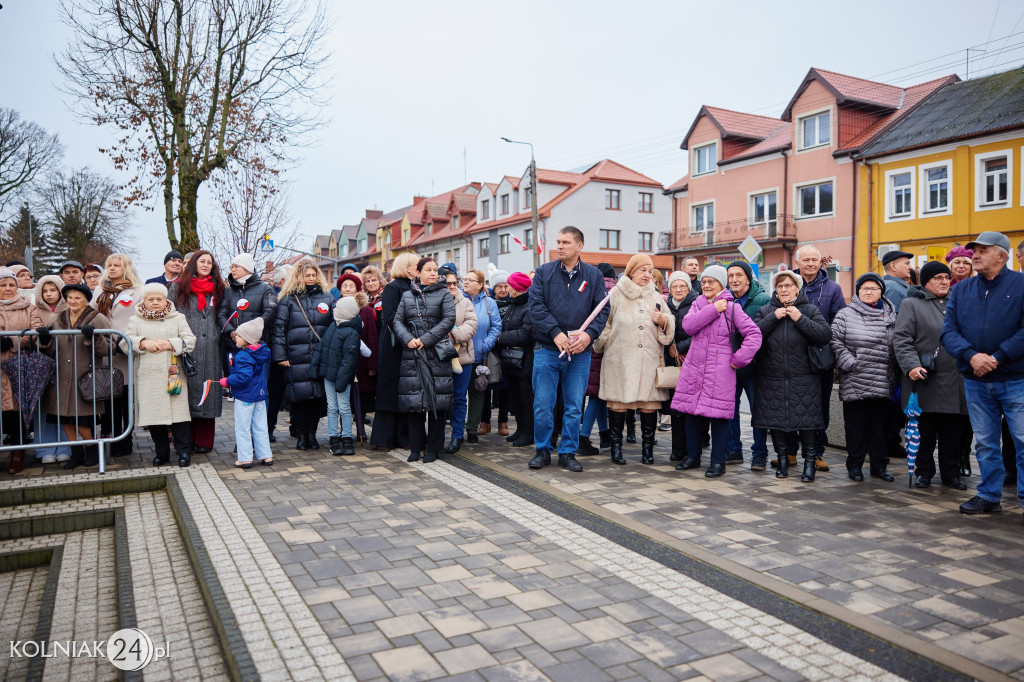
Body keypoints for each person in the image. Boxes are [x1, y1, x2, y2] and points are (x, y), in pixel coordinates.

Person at [941, 232, 1024, 517]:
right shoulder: (962, 290)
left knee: (1023, 441)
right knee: (986, 443)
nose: (974, 255)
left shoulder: (1021, 285)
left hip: (1016, 379)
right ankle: (989, 495)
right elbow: (948, 331)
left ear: (1002, 255)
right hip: (975, 380)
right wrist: (971, 356)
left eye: (982, 250)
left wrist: (997, 357)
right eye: (973, 250)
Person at [528, 226, 610, 473]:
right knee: (543, 404)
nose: (559, 246)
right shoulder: (543, 273)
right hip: (547, 349)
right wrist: (556, 334)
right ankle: (542, 449)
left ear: (579, 246)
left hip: (580, 352)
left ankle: (568, 452)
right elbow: (536, 308)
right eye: (558, 242)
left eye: (565, 242)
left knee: (574, 405)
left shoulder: (593, 275)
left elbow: (602, 310)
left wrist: (589, 335)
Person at [672, 265, 762, 478]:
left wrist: (739, 359)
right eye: (704, 281)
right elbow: (689, 326)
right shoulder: (698, 304)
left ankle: (718, 462)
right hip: (694, 369)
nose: (706, 285)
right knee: (691, 413)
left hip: (719, 372)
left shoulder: (732, 308)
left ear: (722, 284)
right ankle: (692, 457)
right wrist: (713, 309)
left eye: (711, 281)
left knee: (719, 417)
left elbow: (754, 334)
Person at [893, 261, 969, 490]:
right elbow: (902, 339)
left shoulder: (959, 303)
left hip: (956, 379)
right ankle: (924, 471)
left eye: (946, 277)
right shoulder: (911, 304)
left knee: (952, 433)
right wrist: (912, 366)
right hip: (924, 378)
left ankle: (951, 473)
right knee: (924, 431)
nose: (945, 281)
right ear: (926, 282)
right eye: (938, 278)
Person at [751, 270, 832, 482]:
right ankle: (783, 462)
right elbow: (752, 336)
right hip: (772, 377)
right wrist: (772, 317)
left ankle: (809, 464)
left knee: (807, 422)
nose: (784, 290)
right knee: (776, 421)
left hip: (804, 377)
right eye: (780, 286)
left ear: (797, 288)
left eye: (788, 286)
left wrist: (800, 318)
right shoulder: (766, 310)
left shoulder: (809, 309)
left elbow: (825, 335)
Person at [594, 254, 674, 465]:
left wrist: (663, 320)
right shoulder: (615, 293)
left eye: (650, 271)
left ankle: (647, 450)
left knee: (649, 405)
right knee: (618, 405)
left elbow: (669, 320)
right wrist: (602, 341)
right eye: (643, 270)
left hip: (647, 359)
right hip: (619, 358)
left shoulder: (655, 295)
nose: (647, 275)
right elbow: (605, 322)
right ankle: (616, 449)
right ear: (631, 272)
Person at [831, 273, 898, 482]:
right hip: (855, 378)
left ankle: (879, 466)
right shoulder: (845, 314)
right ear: (858, 292)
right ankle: (855, 466)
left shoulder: (891, 314)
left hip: (883, 379)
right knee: (856, 428)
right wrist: (849, 362)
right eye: (865, 288)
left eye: (874, 288)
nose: (869, 292)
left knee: (880, 428)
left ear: (881, 292)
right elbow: (835, 340)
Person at [37, 283, 112, 470]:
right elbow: (51, 350)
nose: (73, 301)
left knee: (83, 422)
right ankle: (76, 453)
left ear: (86, 300)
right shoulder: (57, 319)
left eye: (77, 298)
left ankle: (92, 450)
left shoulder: (98, 318)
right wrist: (45, 341)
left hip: (85, 378)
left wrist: (94, 338)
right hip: (61, 378)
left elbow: (109, 347)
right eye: (70, 298)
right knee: (65, 420)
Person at [122, 283, 196, 467]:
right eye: (151, 299)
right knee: (154, 417)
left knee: (179, 417)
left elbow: (190, 341)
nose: (155, 303)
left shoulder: (178, 318)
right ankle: (161, 453)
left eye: (159, 299)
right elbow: (125, 342)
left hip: (173, 374)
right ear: (144, 301)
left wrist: (169, 343)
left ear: (166, 300)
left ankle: (184, 452)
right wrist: (143, 343)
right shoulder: (135, 320)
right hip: (148, 375)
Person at [393, 257, 456, 463]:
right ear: (417, 273)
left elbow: (449, 320)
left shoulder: (444, 293)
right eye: (428, 269)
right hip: (412, 354)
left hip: (436, 354)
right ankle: (416, 447)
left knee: (436, 402)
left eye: (435, 270)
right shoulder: (406, 295)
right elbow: (397, 321)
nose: (432, 273)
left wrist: (425, 339)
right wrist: (409, 339)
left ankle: (434, 448)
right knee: (414, 403)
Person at [794, 245, 846, 472]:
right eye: (806, 260)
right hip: (792, 356)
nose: (810, 264)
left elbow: (838, 322)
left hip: (821, 356)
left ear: (820, 262)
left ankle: (817, 452)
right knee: (793, 404)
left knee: (820, 406)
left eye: (814, 260)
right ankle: (789, 450)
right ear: (798, 263)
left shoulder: (833, 289)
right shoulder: (787, 284)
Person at [272, 258, 334, 450]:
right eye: (307, 275)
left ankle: (312, 435)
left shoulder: (327, 297)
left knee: (316, 398)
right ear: (299, 276)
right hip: (296, 356)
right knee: (298, 398)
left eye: (313, 275)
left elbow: (334, 325)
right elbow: (279, 329)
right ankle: (301, 435)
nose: (310, 278)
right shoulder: (288, 299)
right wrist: (281, 356)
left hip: (319, 356)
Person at [169, 250, 225, 455]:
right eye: (202, 261)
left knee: (207, 394)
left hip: (211, 348)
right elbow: (170, 314)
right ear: (193, 264)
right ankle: (184, 441)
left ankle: (204, 441)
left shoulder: (219, 288)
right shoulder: (178, 287)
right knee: (186, 396)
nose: (206, 265)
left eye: (209, 262)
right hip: (186, 348)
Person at [93, 253, 142, 457]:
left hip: (125, 350)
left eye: (117, 265)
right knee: (107, 396)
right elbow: (91, 313)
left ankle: (125, 438)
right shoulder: (100, 290)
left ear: (126, 268)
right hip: (104, 350)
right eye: (109, 265)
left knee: (124, 397)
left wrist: (127, 341)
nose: (112, 269)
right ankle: (108, 435)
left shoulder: (138, 291)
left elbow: (138, 318)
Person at [370, 253, 418, 452]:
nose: (420, 267)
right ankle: (384, 438)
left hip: (408, 345)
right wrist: (408, 336)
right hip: (393, 347)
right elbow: (389, 319)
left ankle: (402, 436)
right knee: (389, 390)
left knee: (405, 392)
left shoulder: (412, 287)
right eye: (417, 265)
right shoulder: (393, 287)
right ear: (407, 267)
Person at [726, 260, 770, 468]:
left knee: (758, 411)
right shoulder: (724, 299)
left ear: (748, 277)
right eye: (731, 276)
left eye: (738, 275)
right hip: (730, 366)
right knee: (730, 410)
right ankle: (734, 450)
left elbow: (766, 333)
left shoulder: (762, 299)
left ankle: (759, 453)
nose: (734, 280)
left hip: (755, 366)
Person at [0, 268, 45, 473]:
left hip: (17, 365)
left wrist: (12, 341)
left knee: (16, 411)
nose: (8, 288)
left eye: (11, 284)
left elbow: (35, 331)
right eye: (3, 285)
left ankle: (17, 454)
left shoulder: (29, 307)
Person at [312, 297, 363, 457]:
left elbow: (349, 360)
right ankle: (334, 437)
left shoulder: (351, 333)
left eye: (338, 308)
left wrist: (341, 381)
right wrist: (314, 368)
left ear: (345, 313)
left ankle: (346, 437)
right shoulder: (333, 326)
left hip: (342, 377)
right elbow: (322, 348)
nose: (334, 310)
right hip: (328, 375)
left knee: (345, 408)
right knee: (332, 407)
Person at [220, 318, 274, 468]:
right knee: (260, 425)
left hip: (245, 396)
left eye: (238, 336)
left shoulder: (243, 356)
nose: (235, 337)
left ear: (247, 339)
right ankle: (266, 455)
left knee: (243, 427)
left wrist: (228, 380)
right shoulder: (262, 351)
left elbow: (243, 376)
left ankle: (245, 457)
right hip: (260, 394)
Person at [578, 262, 618, 456]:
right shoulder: (615, 291)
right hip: (606, 349)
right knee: (597, 395)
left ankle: (604, 435)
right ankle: (583, 437)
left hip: (590, 344)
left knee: (598, 394)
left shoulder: (590, 287)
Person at [31, 275, 71, 464]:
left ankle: (65, 446)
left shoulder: (69, 309)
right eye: (45, 291)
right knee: (43, 407)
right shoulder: (34, 310)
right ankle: (45, 448)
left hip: (66, 362)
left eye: (53, 290)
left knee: (64, 406)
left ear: (60, 291)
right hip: (42, 364)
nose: (48, 294)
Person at [335, 271, 378, 437]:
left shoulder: (365, 310)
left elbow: (372, 337)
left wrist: (372, 364)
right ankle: (343, 431)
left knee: (361, 397)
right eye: (344, 286)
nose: (347, 288)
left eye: (351, 286)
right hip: (341, 361)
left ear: (357, 289)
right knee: (342, 398)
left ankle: (360, 429)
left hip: (361, 361)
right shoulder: (335, 308)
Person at [494, 272, 534, 448]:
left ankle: (529, 432)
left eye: (509, 285)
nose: (506, 288)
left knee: (526, 397)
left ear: (517, 289)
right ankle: (520, 428)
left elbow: (526, 334)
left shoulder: (529, 306)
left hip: (525, 360)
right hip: (511, 360)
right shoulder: (513, 305)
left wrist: (500, 337)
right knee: (516, 397)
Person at [442, 265, 478, 453]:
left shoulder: (465, 302)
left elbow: (472, 325)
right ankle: (437, 435)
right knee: (440, 398)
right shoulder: (434, 301)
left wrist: (453, 334)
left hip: (462, 357)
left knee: (459, 398)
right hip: (439, 358)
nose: (452, 286)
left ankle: (457, 436)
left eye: (455, 283)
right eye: (448, 283)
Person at [464, 268, 501, 441]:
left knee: (478, 393)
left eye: (470, 280)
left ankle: (472, 429)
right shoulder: (458, 301)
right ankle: (458, 428)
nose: (465, 282)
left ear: (480, 284)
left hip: (480, 357)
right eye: (465, 279)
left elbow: (496, 326)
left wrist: (486, 344)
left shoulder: (489, 303)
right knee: (457, 395)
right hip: (460, 356)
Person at [664, 271, 697, 462]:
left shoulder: (696, 304)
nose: (678, 289)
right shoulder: (666, 305)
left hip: (690, 360)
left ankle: (694, 446)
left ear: (688, 288)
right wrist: (670, 347)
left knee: (689, 407)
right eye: (674, 286)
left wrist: (680, 347)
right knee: (675, 407)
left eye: (682, 286)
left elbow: (701, 332)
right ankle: (677, 449)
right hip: (671, 363)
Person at [266, 264, 294, 441]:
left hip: (286, 350)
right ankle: (268, 429)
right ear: (283, 280)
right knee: (274, 392)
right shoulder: (273, 297)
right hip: (276, 352)